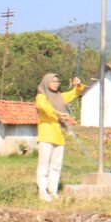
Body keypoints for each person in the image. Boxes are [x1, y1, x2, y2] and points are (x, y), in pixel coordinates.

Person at [35, 73, 84, 202]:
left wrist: (78, 84)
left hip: (59, 136)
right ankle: (42, 191)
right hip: (46, 134)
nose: (56, 83)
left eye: (57, 81)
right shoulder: (41, 96)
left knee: (56, 165)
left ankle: (53, 190)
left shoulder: (60, 97)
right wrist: (58, 113)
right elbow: (43, 107)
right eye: (53, 81)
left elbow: (75, 93)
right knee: (44, 165)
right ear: (46, 83)